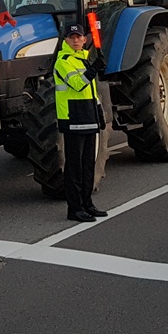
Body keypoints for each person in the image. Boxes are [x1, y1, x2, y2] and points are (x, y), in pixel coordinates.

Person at [54, 25, 107, 223]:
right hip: (73, 119)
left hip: (88, 118)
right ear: (66, 41)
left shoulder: (83, 60)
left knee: (87, 166)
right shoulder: (63, 61)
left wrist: (99, 113)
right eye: (71, 37)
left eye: (78, 37)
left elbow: (91, 93)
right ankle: (74, 209)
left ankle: (87, 204)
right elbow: (77, 84)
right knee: (74, 167)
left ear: (85, 40)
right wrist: (94, 68)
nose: (75, 40)